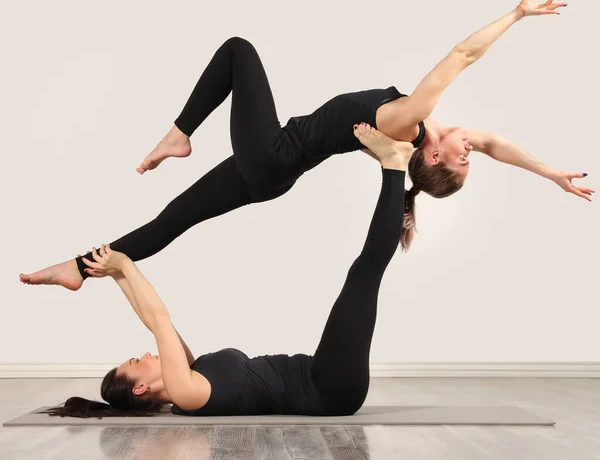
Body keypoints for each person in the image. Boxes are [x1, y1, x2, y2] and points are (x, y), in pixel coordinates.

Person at [20, 0, 591, 292]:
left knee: (239, 50)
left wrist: (515, 15)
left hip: (272, 156)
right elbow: (498, 144)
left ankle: (179, 135)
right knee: (173, 219)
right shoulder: (422, 134)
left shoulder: (411, 119)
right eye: (472, 158)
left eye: (463, 161)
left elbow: (463, 55)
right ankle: (78, 266)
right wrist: (551, 174)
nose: (475, 151)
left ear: (433, 156)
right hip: (272, 174)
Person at [44, 126, 411, 418]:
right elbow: (159, 319)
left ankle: (393, 167)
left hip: (321, 375)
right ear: (140, 388)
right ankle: (393, 167)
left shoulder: (188, 374)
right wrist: (123, 262)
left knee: (363, 273)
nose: (146, 355)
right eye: (137, 362)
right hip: (331, 389)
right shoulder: (187, 394)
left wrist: (115, 274)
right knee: (364, 273)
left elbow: (152, 320)